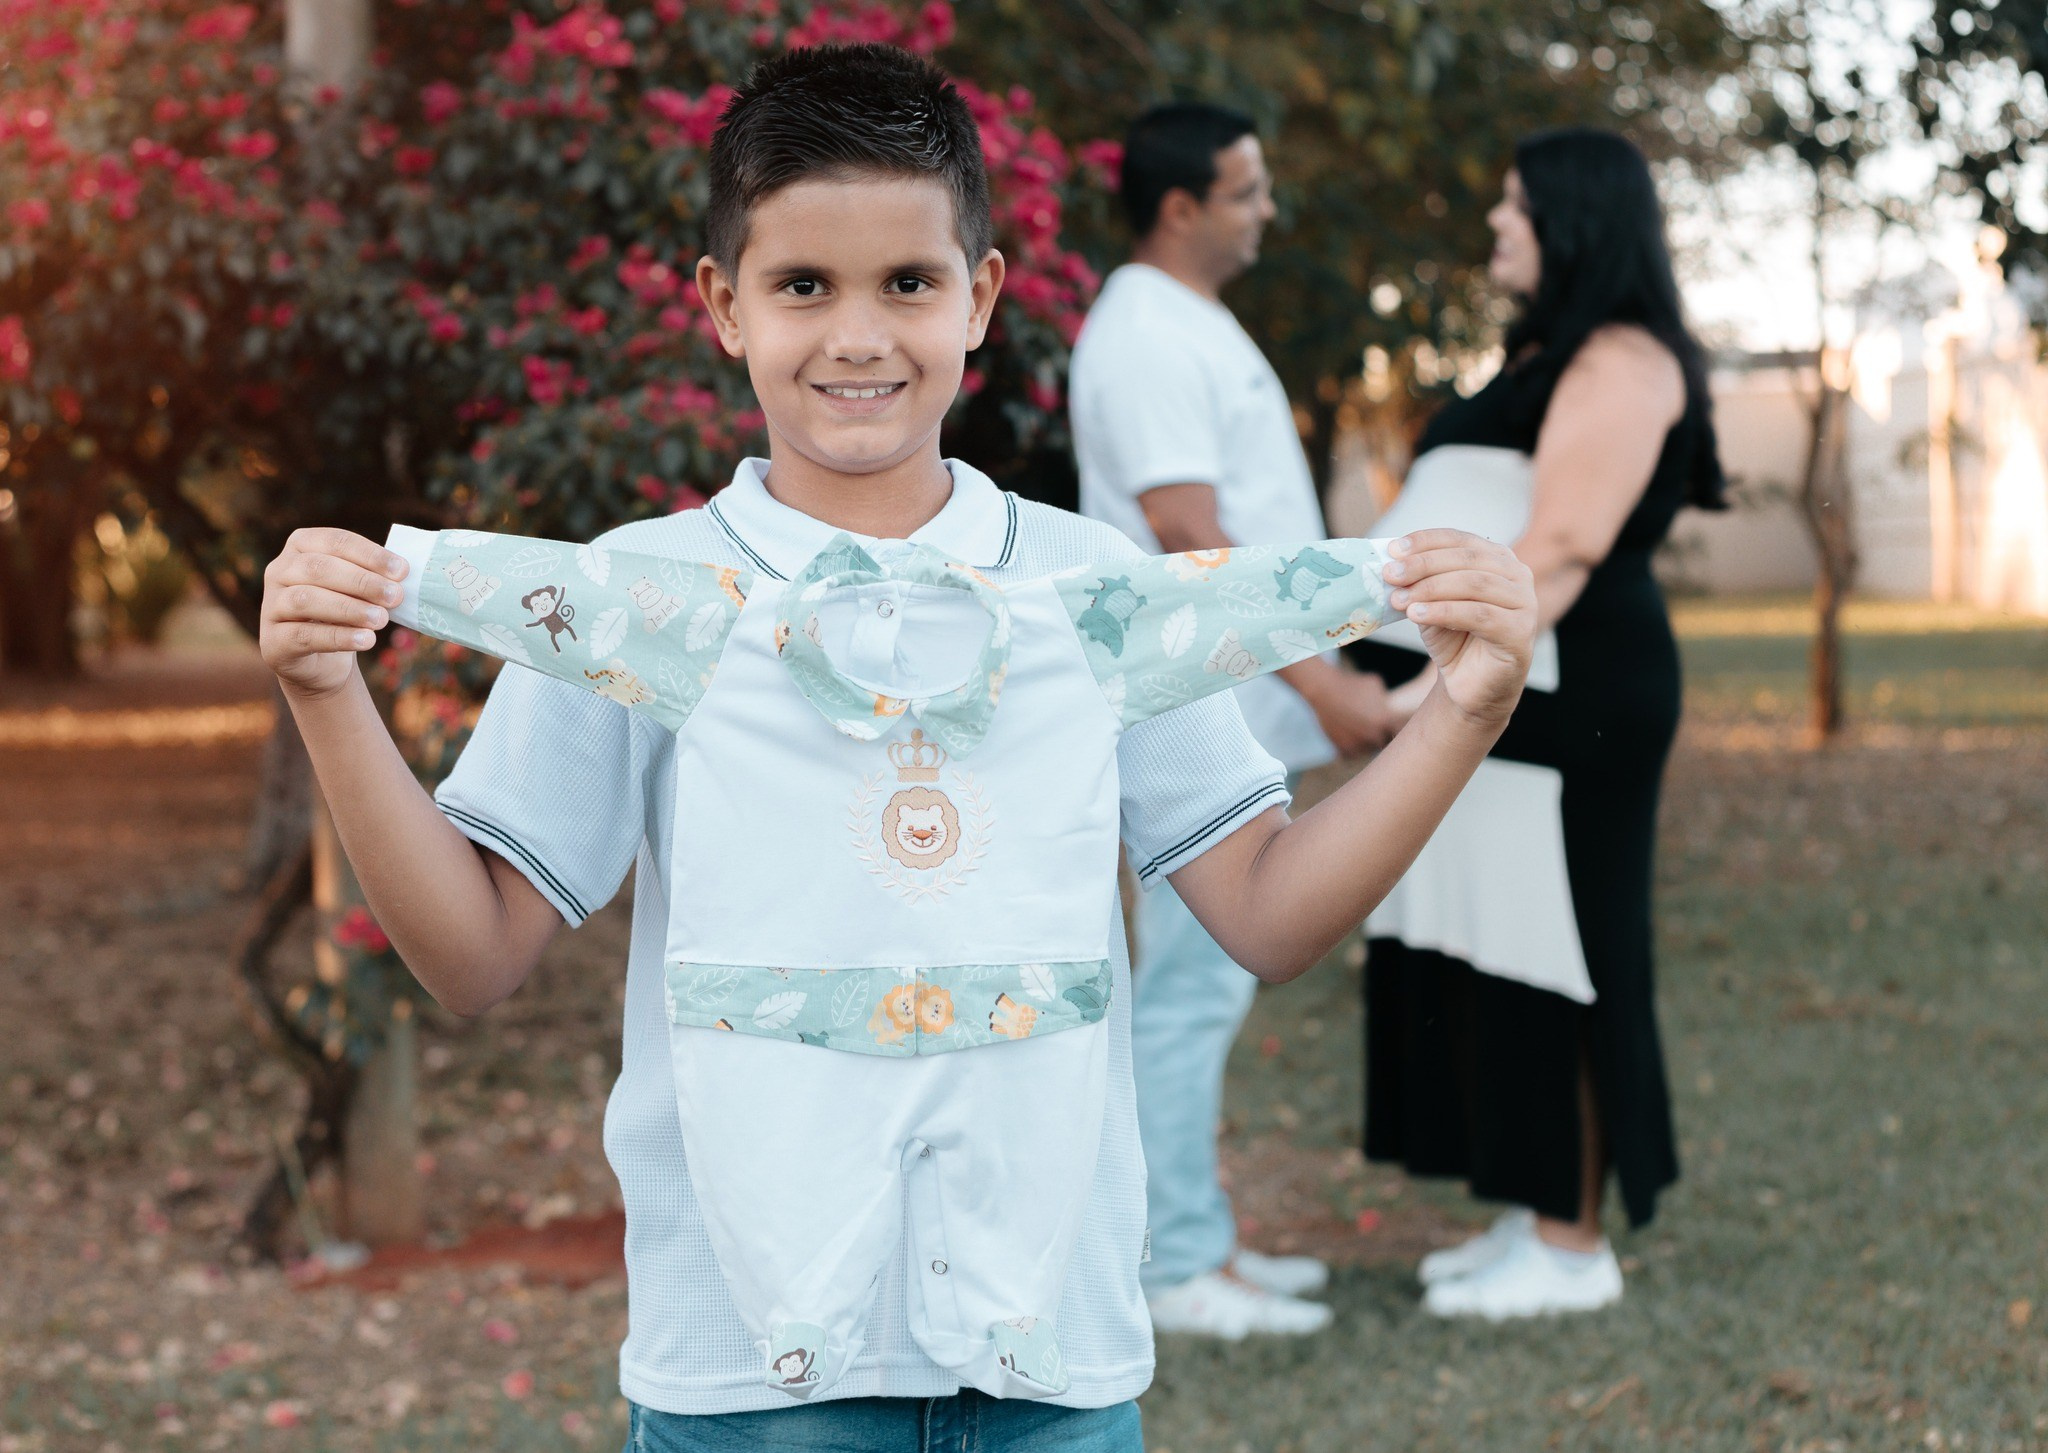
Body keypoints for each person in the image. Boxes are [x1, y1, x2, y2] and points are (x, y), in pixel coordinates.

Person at [255, 44, 1536, 1450]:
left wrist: (1463, 713)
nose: (858, 336)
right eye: (803, 284)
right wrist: (330, 694)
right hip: (746, 1381)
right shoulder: (642, 598)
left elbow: (1270, 914)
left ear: (979, 297)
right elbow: (475, 953)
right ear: (721, 306)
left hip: (1053, 1368)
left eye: (907, 284)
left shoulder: (1088, 588)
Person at [1345, 128, 1726, 1321]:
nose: (1497, 226)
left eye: (1513, 207)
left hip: (1575, 686)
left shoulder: (1623, 356)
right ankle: (1530, 1205)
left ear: (1569, 217)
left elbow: (1557, 545)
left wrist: (1430, 692)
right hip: (1516, 679)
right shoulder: (1551, 350)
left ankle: (1572, 1245)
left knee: (1570, 941)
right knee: (1503, 936)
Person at [1068, 102, 1394, 1340]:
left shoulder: (1186, 323)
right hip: (1200, 703)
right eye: (1248, 190)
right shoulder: (1145, 331)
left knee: (1195, 990)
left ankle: (1195, 1236)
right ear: (1181, 206)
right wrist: (1325, 683)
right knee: (1187, 994)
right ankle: (1168, 1262)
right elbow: (1182, 524)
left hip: (1236, 702)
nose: (1266, 210)